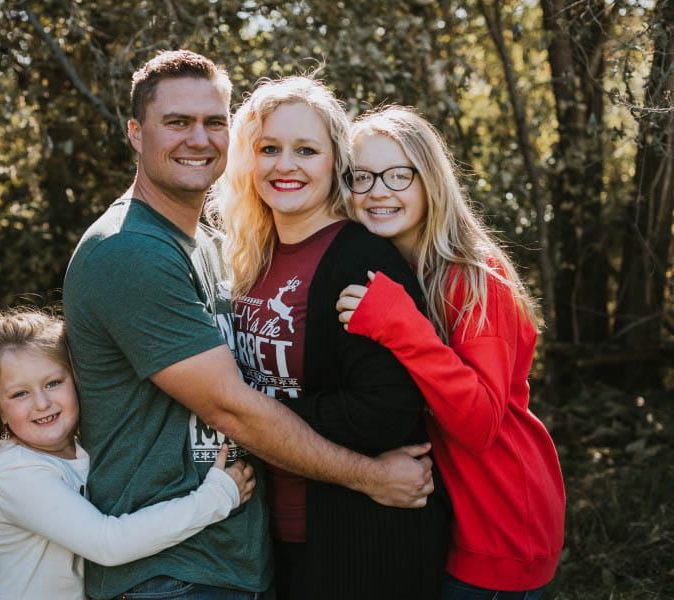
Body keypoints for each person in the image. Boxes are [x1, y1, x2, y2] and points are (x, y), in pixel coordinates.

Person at [63, 50, 436, 600]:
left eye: (214, 122)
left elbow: (386, 401)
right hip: (168, 570)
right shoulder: (129, 251)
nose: (199, 138)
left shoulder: (217, 249)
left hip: (243, 556)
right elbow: (232, 405)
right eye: (177, 122)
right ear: (136, 133)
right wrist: (372, 476)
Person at [215, 77, 450, 600]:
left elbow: (387, 409)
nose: (285, 164)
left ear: (334, 163)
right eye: (268, 149)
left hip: (364, 537)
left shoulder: (361, 260)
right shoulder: (250, 258)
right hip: (273, 534)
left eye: (306, 150)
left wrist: (261, 421)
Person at [337, 106, 566, 599]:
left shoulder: (474, 275)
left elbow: (479, 422)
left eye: (398, 175)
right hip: (448, 517)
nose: (379, 190)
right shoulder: (396, 266)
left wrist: (400, 324)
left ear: (430, 181)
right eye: (362, 177)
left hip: (501, 523)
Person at [0, 306, 256, 600]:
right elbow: (107, 543)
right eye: (20, 393)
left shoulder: (81, 447)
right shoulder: (14, 471)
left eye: (53, 383)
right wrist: (216, 497)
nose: (41, 402)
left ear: (77, 380)